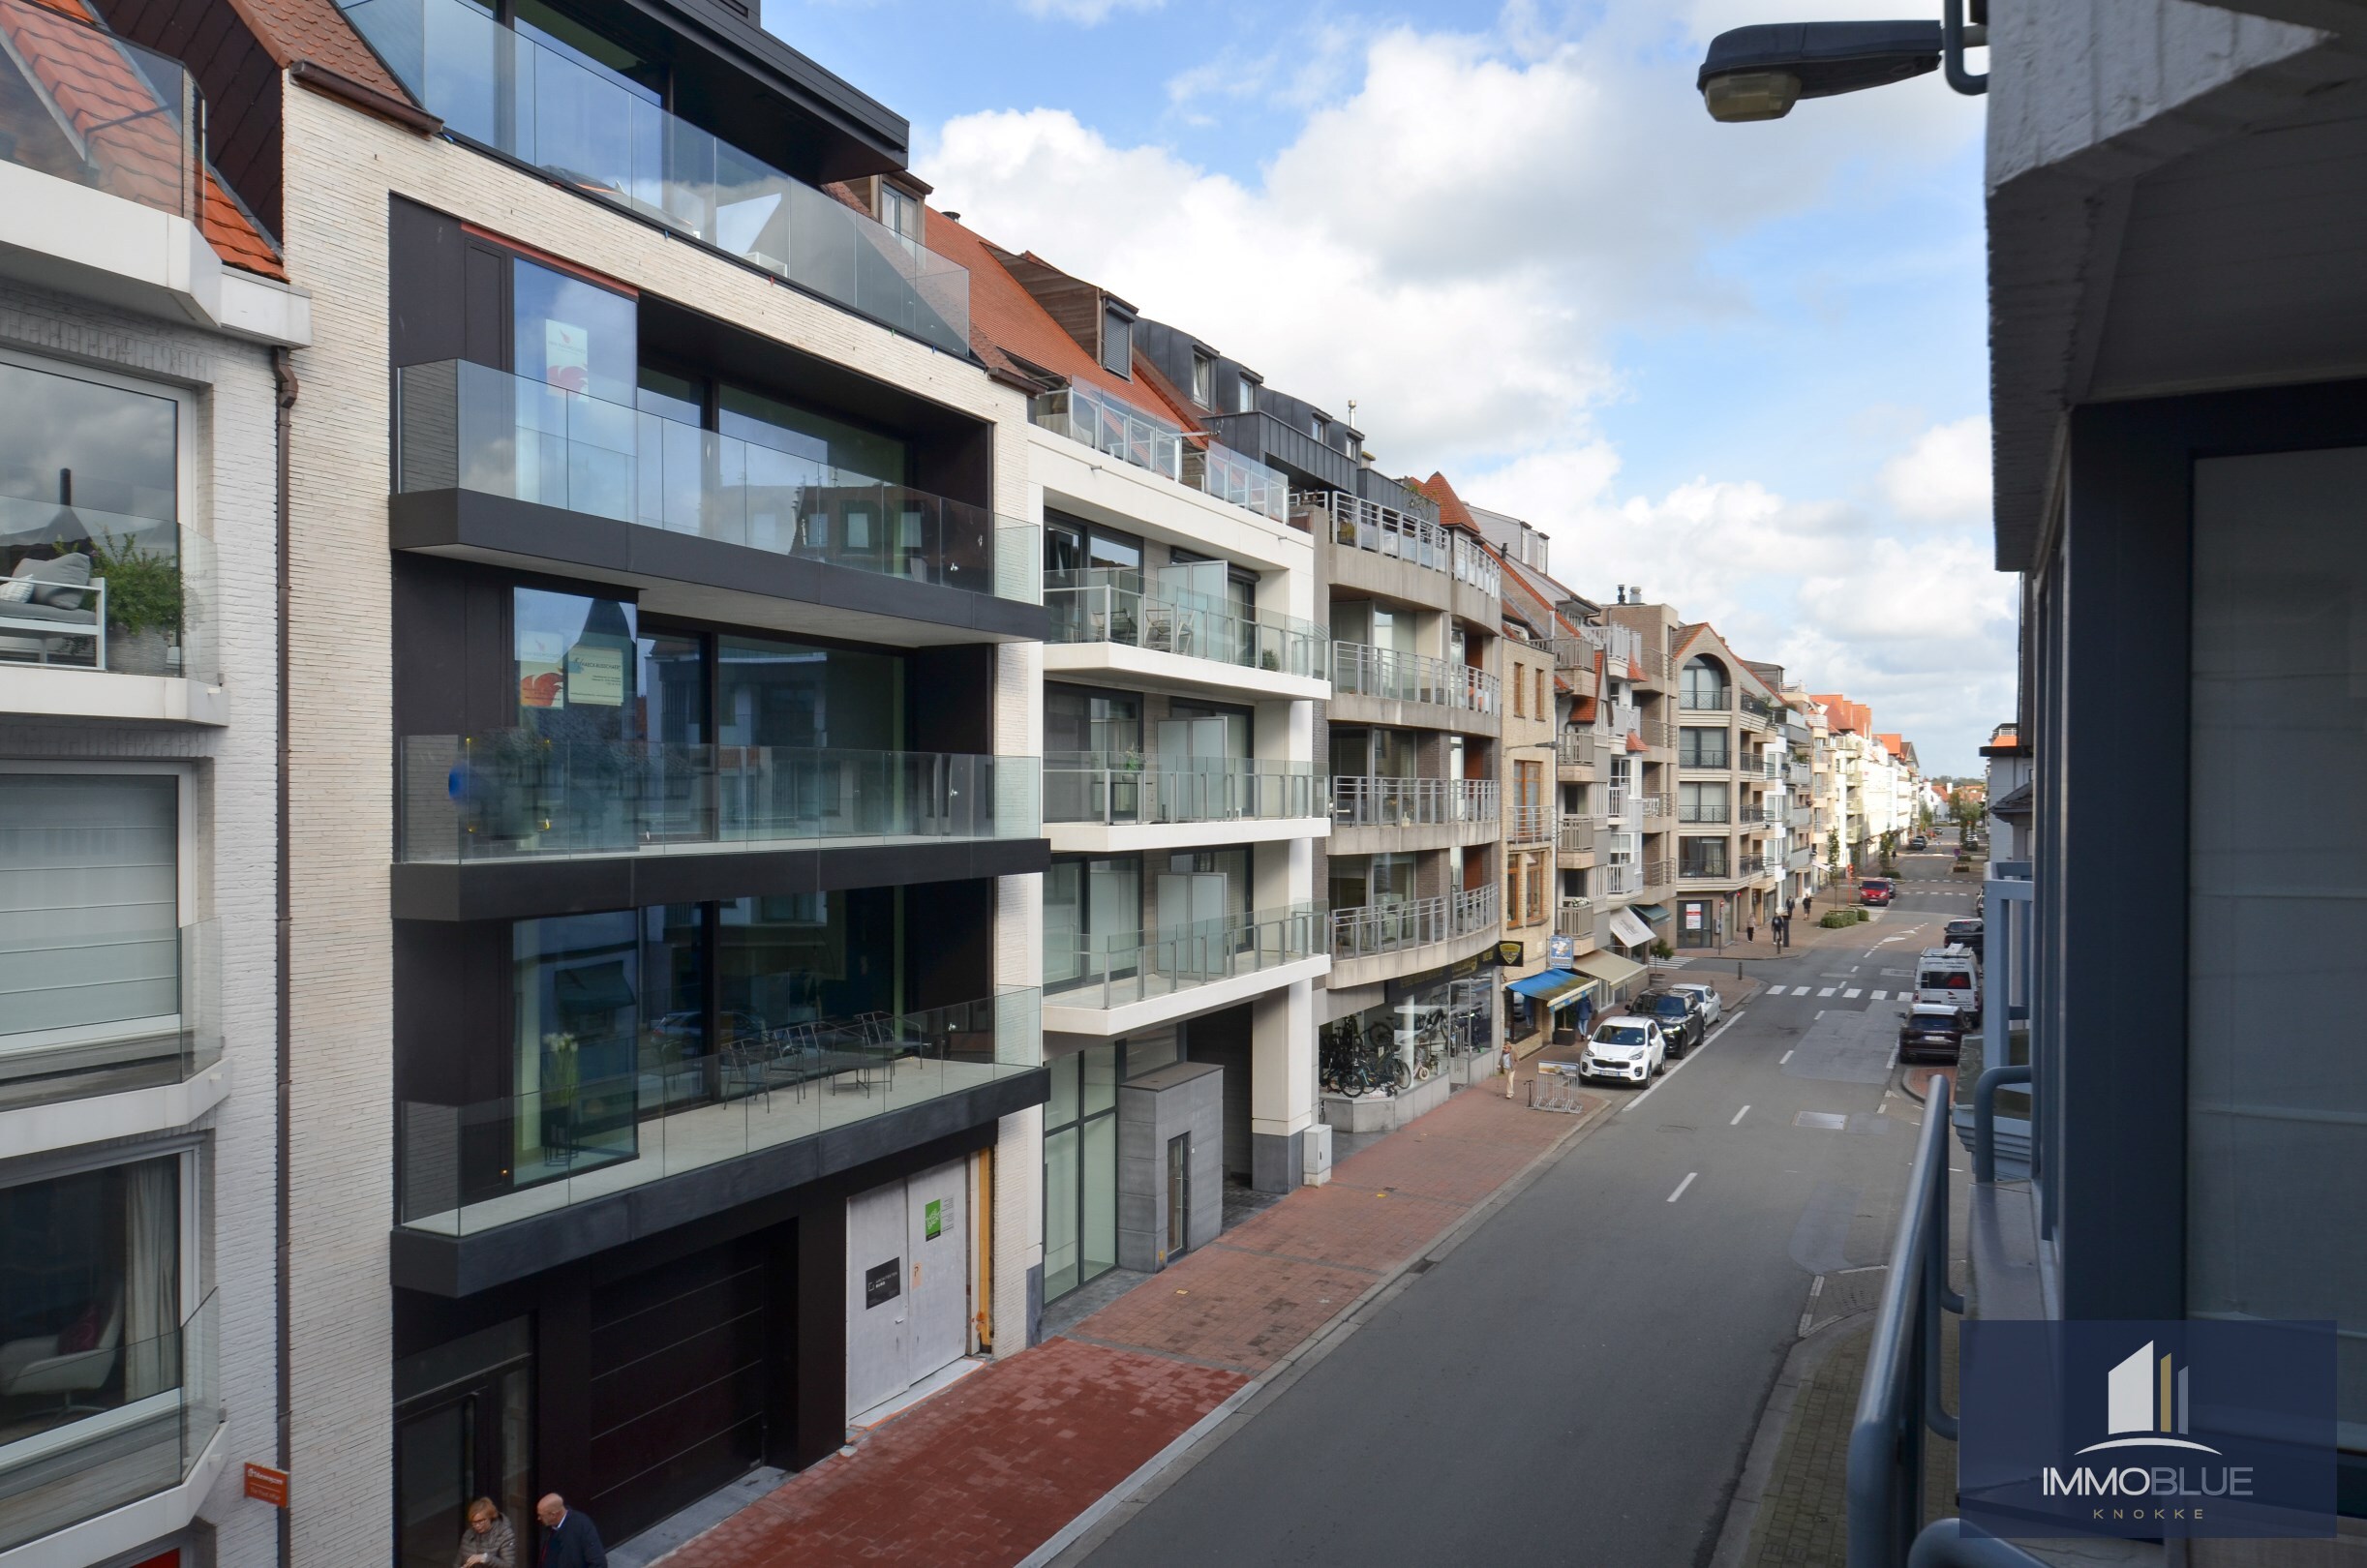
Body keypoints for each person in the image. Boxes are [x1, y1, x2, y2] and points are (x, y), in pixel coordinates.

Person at [536, 1494, 606, 1568]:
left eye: (541, 1515)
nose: (539, 1518)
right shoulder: (548, 1526)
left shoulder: (582, 1526)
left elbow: (599, 1563)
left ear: (553, 1515)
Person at [455, 1498, 514, 1568]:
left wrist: (484, 1558)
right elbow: (457, 1563)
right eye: (474, 1522)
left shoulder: (504, 1534)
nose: (477, 1525)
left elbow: (508, 1565)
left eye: (480, 1521)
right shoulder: (468, 1535)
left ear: (490, 1518)